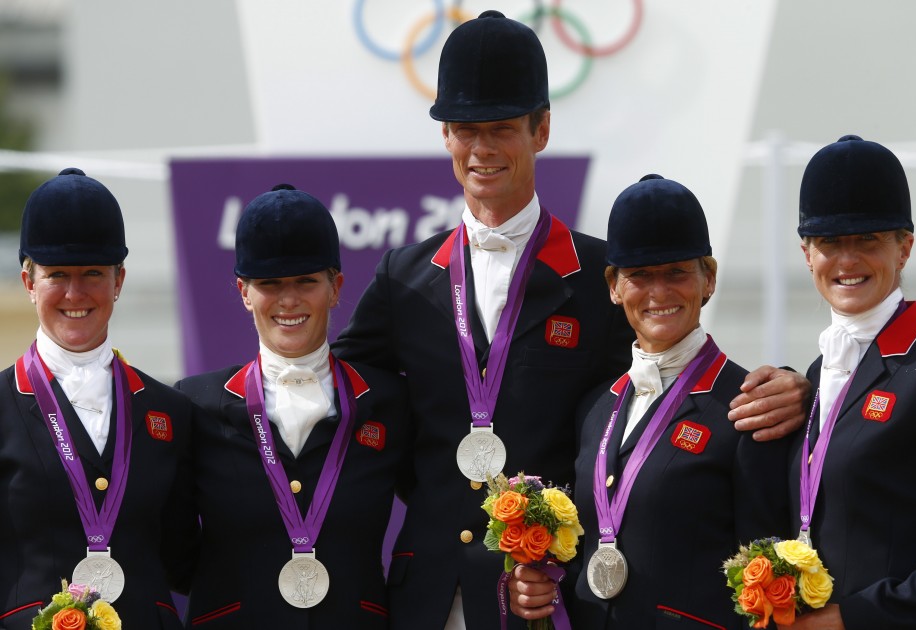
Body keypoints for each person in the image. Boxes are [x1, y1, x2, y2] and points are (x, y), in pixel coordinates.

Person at [332, 11, 808, 629]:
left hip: (551, 596)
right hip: (431, 590)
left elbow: (669, 389)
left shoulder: (601, 276)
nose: (483, 149)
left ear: (542, 130)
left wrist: (797, 389)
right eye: (465, 129)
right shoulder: (406, 276)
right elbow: (344, 391)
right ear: (445, 135)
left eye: (502, 128)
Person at [508, 175, 792, 628]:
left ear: (709, 278)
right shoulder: (595, 409)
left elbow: (767, 575)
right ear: (614, 287)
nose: (659, 292)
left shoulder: (748, 407)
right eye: (639, 275)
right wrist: (543, 584)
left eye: (676, 272)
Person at [175, 184, 410, 628]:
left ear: (336, 287)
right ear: (244, 292)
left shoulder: (389, 403)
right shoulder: (193, 403)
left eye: (306, 281)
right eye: (269, 284)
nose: (288, 300)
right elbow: (171, 545)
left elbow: (432, 507)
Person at [0, 168, 197, 629]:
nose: (75, 293)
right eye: (56, 275)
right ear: (29, 282)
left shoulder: (170, 412)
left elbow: (186, 557)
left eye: (93, 273)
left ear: (119, 280)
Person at [784, 135, 916, 629]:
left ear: (905, 248)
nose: (847, 260)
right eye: (830, 242)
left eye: (868, 241)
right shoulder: (819, 374)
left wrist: (852, 617)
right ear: (807, 254)